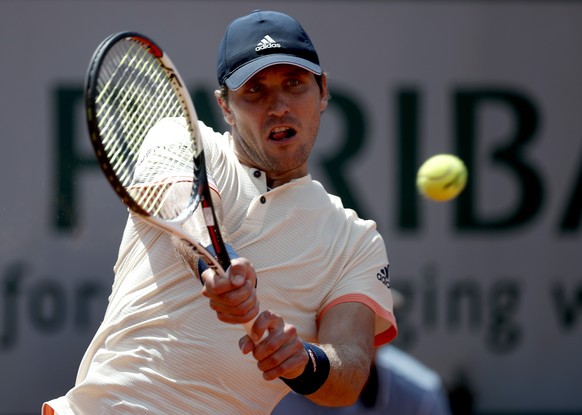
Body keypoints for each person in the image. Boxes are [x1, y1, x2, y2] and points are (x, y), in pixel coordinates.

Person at [43, 10, 397, 415]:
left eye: (294, 84)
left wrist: (304, 361)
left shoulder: (356, 240)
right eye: (255, 90)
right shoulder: (179, 138)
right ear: (225, 107)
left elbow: (348, 374)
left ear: (323, 91)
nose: (278, 106)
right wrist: (215, 262)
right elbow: (183, 204)